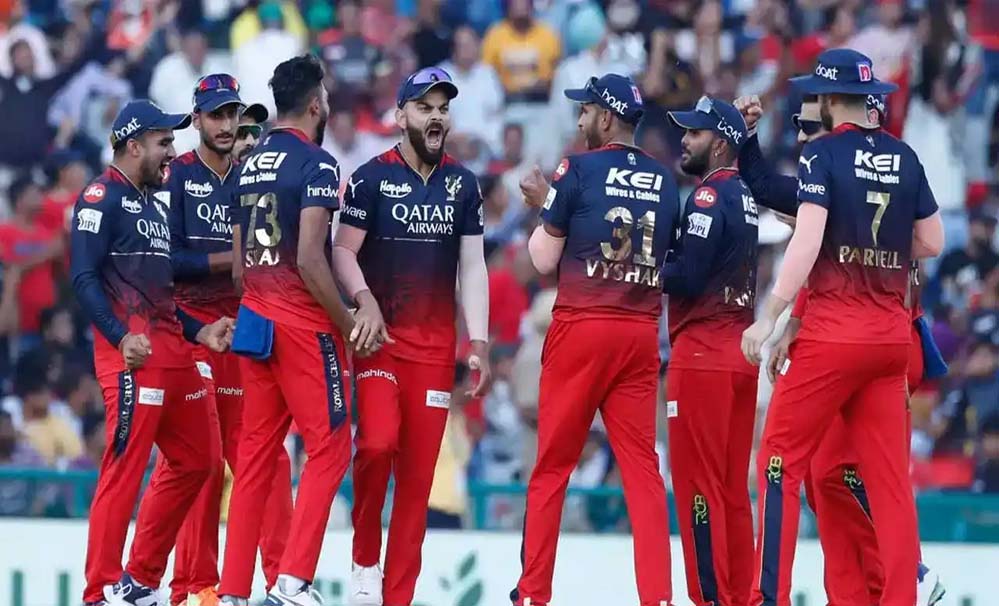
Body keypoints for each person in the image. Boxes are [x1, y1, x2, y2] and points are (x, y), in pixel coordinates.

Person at [739, 49, 945, 606]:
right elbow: (932, 242)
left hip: (834, 335)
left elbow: (807, 241)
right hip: (889, 341)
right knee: (890, 484)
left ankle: (768, 597)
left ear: (830, 100)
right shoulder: (904, 155)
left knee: (777, 462)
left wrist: (770, 317)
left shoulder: (822, 153)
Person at [511, 73, 679, 606]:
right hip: (639, 334)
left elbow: (543, 259)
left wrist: (545, 204)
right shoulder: (665, 179)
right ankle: (658, 598)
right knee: (643, 473)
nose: (580, 119)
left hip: (582, 327)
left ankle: (533, 593)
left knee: (552, 468)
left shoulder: (577, 169)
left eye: (585, 111)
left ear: (606, 117)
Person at [332, 66, 492, 606]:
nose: (436, 116)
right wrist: (365, 302)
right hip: (379, 343)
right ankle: (364, 562)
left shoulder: (463, 184)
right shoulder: (371, 178)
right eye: (425, 107)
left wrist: (478, 341)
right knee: (376, 444)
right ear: (401, 116)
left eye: (443, 108)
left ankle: (397, 597)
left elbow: (473, 266)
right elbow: (342, 251)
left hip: (434, 352)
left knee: (418, 485)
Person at [72, 99, 233, 606]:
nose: (172, 152)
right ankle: (100, 590)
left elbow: (160, 296)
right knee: (124, 468)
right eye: (164, 142)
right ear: (134, 145)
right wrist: (120, 338)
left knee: (201, 461)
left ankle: (139, 579)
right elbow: (83, 278)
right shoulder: (100, 197)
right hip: (133, 359)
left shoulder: (153, 206)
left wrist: (200, 332)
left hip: (175, 354)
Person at [218, 54, 355, 606]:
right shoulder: (319, 165)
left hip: (255, 319)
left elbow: (237, 268)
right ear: (316, 104)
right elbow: (310, 259)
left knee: (255, 458)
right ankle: (293, 582)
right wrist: (347, 323)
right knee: (332, 447)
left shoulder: (247, 163)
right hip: (303, 325)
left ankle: (232, 592)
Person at [158, 74, 292, 606]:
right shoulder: (175, 175)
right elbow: (163, 262)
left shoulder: (254, 177)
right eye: (215, 114)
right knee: (204, 457)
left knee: (268, 458)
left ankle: (283, 581)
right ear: (196, 120)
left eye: (232, 114)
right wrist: (226, 259)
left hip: (247, 325)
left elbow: (271, 253)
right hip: (192, 329)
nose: (226, 124)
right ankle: (195, 588)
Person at [661, 96, 757, 606]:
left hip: (703, 356)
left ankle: (711, 599)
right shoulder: (743, 193)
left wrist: (640, 264)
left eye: (695, 133)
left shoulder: (706, 196)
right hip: (739, 355)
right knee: (731, 490)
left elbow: (688, 276)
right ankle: (741, 597)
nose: (684, 140)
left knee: (699, 488)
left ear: (719, 143)